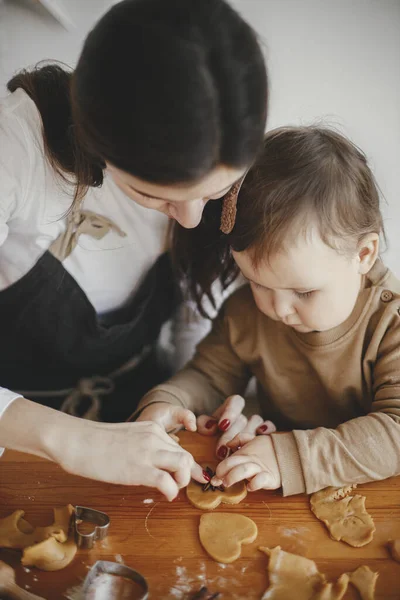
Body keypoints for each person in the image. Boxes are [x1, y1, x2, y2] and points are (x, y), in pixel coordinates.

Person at [0, 0, 268, 500]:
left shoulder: (226, 152)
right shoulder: (13, 149)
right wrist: (76, 441)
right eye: (154, 195)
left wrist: (187, 404)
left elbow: (195, 324)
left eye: (212, 195)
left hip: (141, 409)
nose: (190, 219)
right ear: (95, 136)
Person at [134, 125, 400, 496]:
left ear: (363, 255)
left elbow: (395, 432)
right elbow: (210, 378)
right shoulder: (245, 312)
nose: (277, 308)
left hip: (374, 495)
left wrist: (289, 457)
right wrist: (167, 403)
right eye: (256, 282)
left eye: (304, 291)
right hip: (278, 488)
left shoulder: (391, 323)